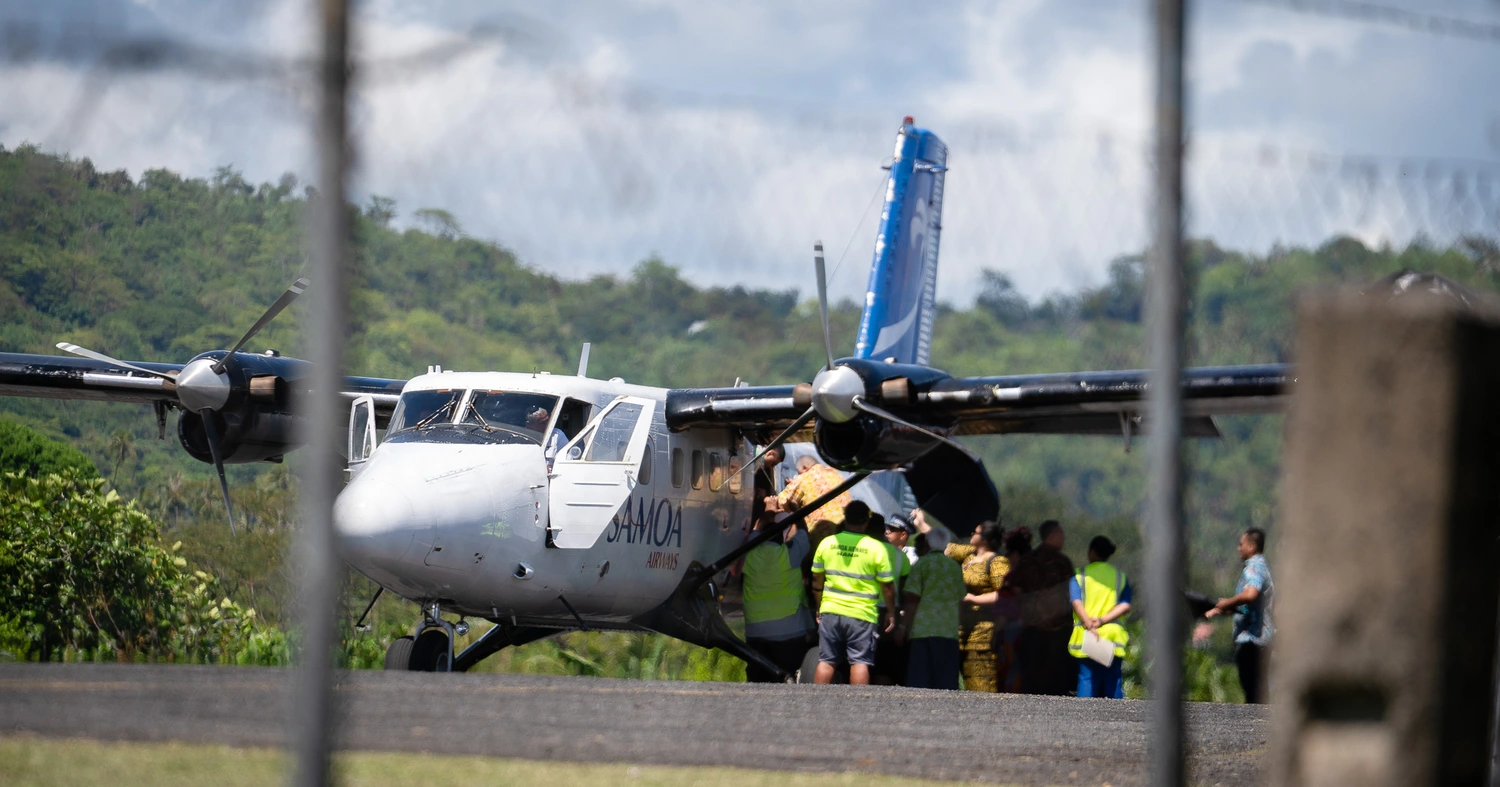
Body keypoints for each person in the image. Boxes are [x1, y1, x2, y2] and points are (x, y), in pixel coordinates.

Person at [809, 501, 895, 685]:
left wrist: (819, 606)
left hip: (831, 610)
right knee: (860, 662)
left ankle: (815, 699)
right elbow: (887, 587)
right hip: (862, 614)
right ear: (866, 522)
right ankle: (858, 702)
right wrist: (891, 611)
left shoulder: (827, 543)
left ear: (845, 518)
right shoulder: (876, 548)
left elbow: (816, 581)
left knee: (826, 661)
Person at [741, 510, 814, 683]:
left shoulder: (750, 551)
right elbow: (803, 532)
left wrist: (768, 511)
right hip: (789, 632)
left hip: (756, 631)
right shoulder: (790, 554)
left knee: (758, 681)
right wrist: (796, 512)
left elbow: (757, 528)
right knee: (786, 679)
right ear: (782, 538)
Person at [1006, 519, 1076, 695]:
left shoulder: (1027, 560)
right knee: (1057, 684)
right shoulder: (1062, 562)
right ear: (1052, 535)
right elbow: (1071, 593)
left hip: (1032, 629)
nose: (1064, 538)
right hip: (1058, 630)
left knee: (1032, 682)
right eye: (1061, 534)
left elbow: (1015, 589)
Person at [1206, 528, 1273, 703]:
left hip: (1253, 641)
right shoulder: (1262, 566)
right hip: (1260, 642)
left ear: (1251, 546)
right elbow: (1248, 607)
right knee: (1257, 693)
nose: (1238, 548)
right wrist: (1220, 609)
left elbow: (1251, 594)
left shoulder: (1254, 567)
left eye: (1241, 544)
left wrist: (1228, 601)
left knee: (1254, 694)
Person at [943, 519, 1010, 692]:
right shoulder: (970, 555)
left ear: (985, 539)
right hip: (961, 631)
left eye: (975, 532)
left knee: (980, 687)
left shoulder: (997, 562)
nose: (972, 534)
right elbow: (944, 546)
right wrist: (920, 523)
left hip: (983, 634)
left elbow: (1004, 594)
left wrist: (974, 599)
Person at [896, 526, 965, 690]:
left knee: (920, 682)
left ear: (927, 542)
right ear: (946, 544)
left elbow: (912, 599)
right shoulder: (954, 567)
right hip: (948, 631)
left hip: (923, 630)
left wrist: (902, 627)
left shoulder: (922, 564)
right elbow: (960, 600)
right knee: (946, 684)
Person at [1069, 535, 1133, 699]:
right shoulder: (1120, 577)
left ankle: (1084, 714)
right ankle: (1116, 714)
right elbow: (1125, 605)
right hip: (1111, 636)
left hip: (1087, 635)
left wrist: (1089, 624)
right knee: (1113, 680)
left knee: (1087, 679)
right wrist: (1102, 620)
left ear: (1091, 552)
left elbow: (1076, 602)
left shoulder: (1079, 575)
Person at [870, 512, 912, 685]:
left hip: (858, 608)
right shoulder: (900, 556)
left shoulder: (861, 548)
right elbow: (904, 591)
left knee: (858, 660)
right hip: (887, 614)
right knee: (882, 662)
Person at [777, 455, 852, 547]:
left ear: (804, 467)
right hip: (847, 532)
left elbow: (781, 502)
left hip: (823, 538)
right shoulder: (836, 473)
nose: (799, 475)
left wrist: (791, 487)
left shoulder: (803, 478)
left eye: (799, 473)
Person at [991, 527, 1033, 693]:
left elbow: (1005, 611)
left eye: (1007, 553)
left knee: (1011, 677)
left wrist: (995, 634)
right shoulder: (1038, 571)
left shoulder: (1013, 577)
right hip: (1037, 632)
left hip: (1013, 633)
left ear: (1015, 553)